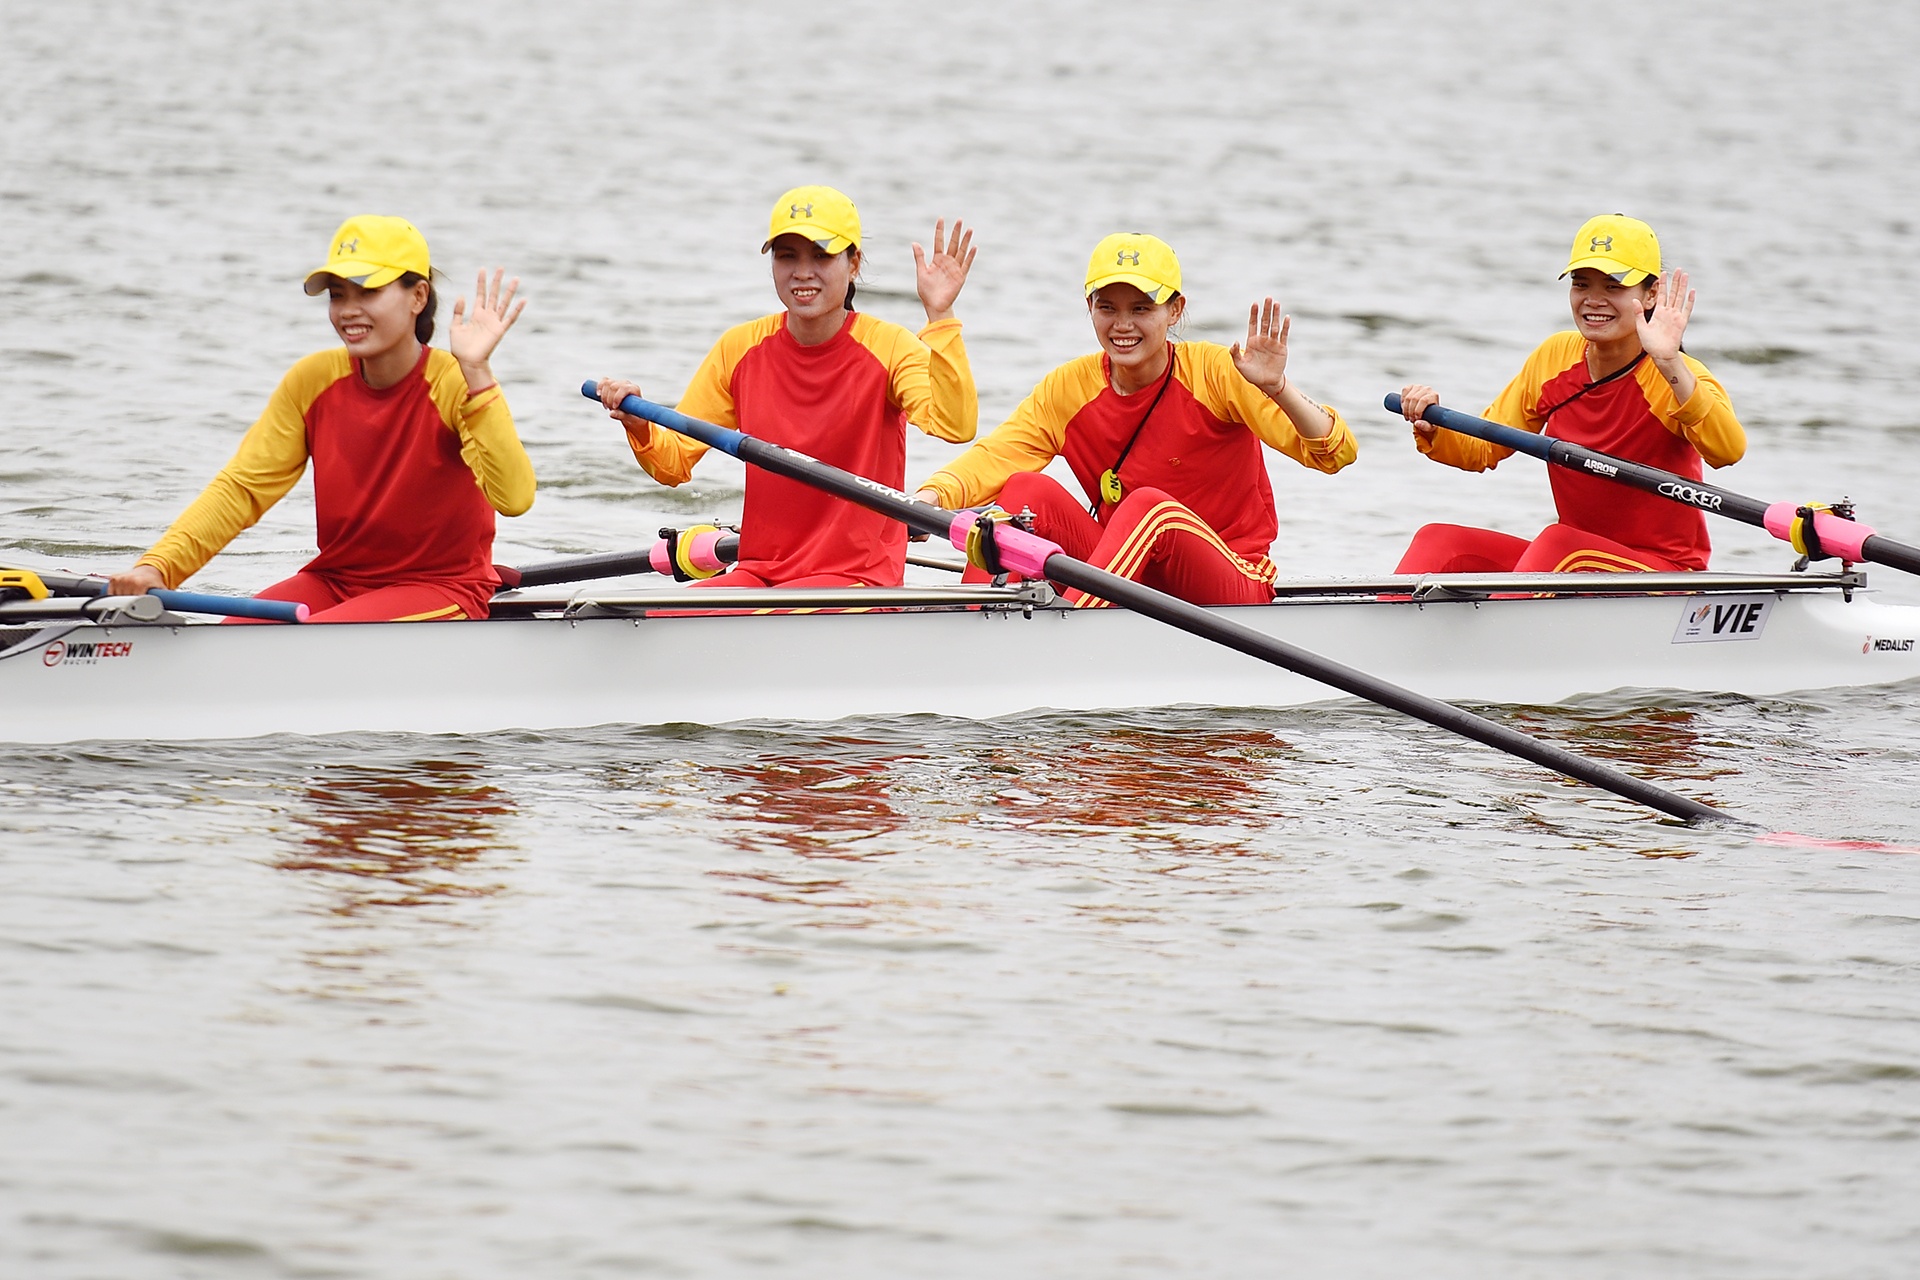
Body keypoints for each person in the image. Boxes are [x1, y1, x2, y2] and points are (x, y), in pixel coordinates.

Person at [109, 215, 534, 621]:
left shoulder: (455, 382)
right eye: (337, 295)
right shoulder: (311, 380)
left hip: (442, 586)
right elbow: (242, 489)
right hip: (335, 581)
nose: (348, 310)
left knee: (306, 642)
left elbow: (514, 499)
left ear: (418, 297)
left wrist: (478, 373)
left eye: (367, 292)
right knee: (235, 635)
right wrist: (158, 567)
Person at [911, 232, 1356, 606]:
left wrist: (1277, 387)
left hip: (1230, 581)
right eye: (1108, 308)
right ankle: (968, 620)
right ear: (1090, 307)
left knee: (1148, 507)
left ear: (1175, 310)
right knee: (1026, 491)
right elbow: (995, 456)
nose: (1122, 325)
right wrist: (927, 500)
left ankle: (1073, 632)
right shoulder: (1068, 388)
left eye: (1141, 309)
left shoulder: (1219, 371)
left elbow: (1335, 453)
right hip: (1127, 573)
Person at [595, 185, 977, 588]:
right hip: (761, 572)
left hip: (856, 578)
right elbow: (672, 463)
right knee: (652, 616)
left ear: (853, 264)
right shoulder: (739, 348)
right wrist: (637, 423)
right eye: (787, 255)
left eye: (821, 256)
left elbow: (954, 426)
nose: (802, 272)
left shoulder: (890, 347)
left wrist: (941, 316)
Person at [1393, 213, 1745, 574]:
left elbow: (1728, 451)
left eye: (1613, 287)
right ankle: (1386, 609)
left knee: (1560, 542)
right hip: (1573, 560)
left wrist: (1669, 361)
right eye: (1581, 284)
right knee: (1439, 540)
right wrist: (1432, 426)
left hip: (1663, 572)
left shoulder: (1677, 376)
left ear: (1651, 294)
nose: (1593, 300)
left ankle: (1509, 610)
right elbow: (1481, 449)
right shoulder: (1555, 357)